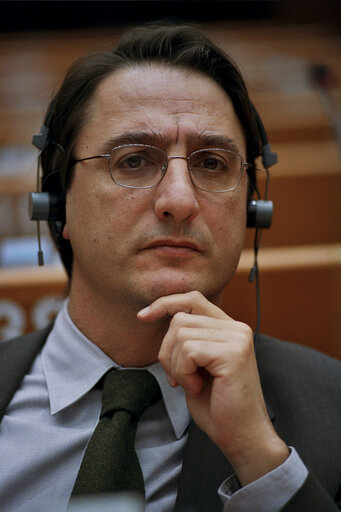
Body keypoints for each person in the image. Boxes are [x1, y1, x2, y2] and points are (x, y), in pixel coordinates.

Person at [0, 23, 340, 512]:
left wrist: (260, 460)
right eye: (133, 160)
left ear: (250, 210)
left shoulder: (333, 411)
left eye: (212, 164)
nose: (179, 200)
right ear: (57, 203)